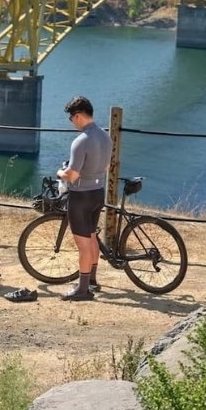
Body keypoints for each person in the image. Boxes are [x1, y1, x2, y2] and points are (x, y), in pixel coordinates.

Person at [58, 96, 111, 301]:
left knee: (83, 245)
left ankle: (82, 289)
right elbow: (106, 167)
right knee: (91, 236)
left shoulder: (80, 141)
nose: (72, 122)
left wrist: (60, 172)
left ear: (78, 116)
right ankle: (92, 280)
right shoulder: (106, 136)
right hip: (98, 193)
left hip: (81, 197)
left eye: (71, 118)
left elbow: (72, 175)